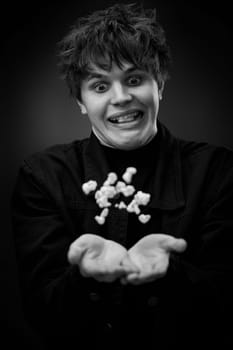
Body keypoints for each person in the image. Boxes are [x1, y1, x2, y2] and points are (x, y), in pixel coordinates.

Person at [11, 3, 233, 349]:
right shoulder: (43, 176)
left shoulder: (218, 171)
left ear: (158, 84)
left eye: (134, 79)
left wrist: (172, 274)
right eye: (100, 87)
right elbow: (41, 314)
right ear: (81, 102)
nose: (121, 98)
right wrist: (84, 277)